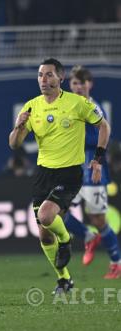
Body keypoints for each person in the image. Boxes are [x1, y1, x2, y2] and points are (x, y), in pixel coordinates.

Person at [8, 58, 110, 294]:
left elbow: (103, 126)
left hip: (70, 173)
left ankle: (65, 240)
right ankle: (64, 280)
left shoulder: (77, 103)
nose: (43, 79)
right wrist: (18, 128)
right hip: (44, 173)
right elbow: (14, 144)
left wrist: (98, 159)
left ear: (60, 78)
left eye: (49, 75)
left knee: (46, 216)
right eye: (40, 75)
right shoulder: (31, 107)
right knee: (44, 235)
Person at [64, 65, 121, 279]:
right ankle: (88, 235)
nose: (78, 87)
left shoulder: (94, 108)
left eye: (82, 83)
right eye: (75, 83)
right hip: (71, 171)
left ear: (90, 84)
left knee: (98, 219)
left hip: (92, 172)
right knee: (57, 211)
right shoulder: (67, 106)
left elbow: (101, 137)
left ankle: (116, 262)